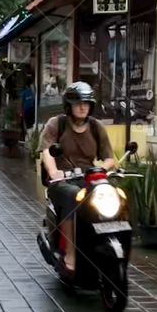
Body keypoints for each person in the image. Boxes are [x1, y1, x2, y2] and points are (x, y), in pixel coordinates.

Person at [39, 82, 116, 275]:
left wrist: (101, 168)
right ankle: (70, 254)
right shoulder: (57, 124)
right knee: (74, 195)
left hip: (88, 177)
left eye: (86, 103)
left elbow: (109, 159)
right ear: (69, 105)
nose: (82, 107)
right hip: (62, 181)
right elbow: (47, 150)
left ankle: (107, 243)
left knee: (112, 195)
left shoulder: (96, 127)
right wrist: (54, 170)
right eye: (78, 103)